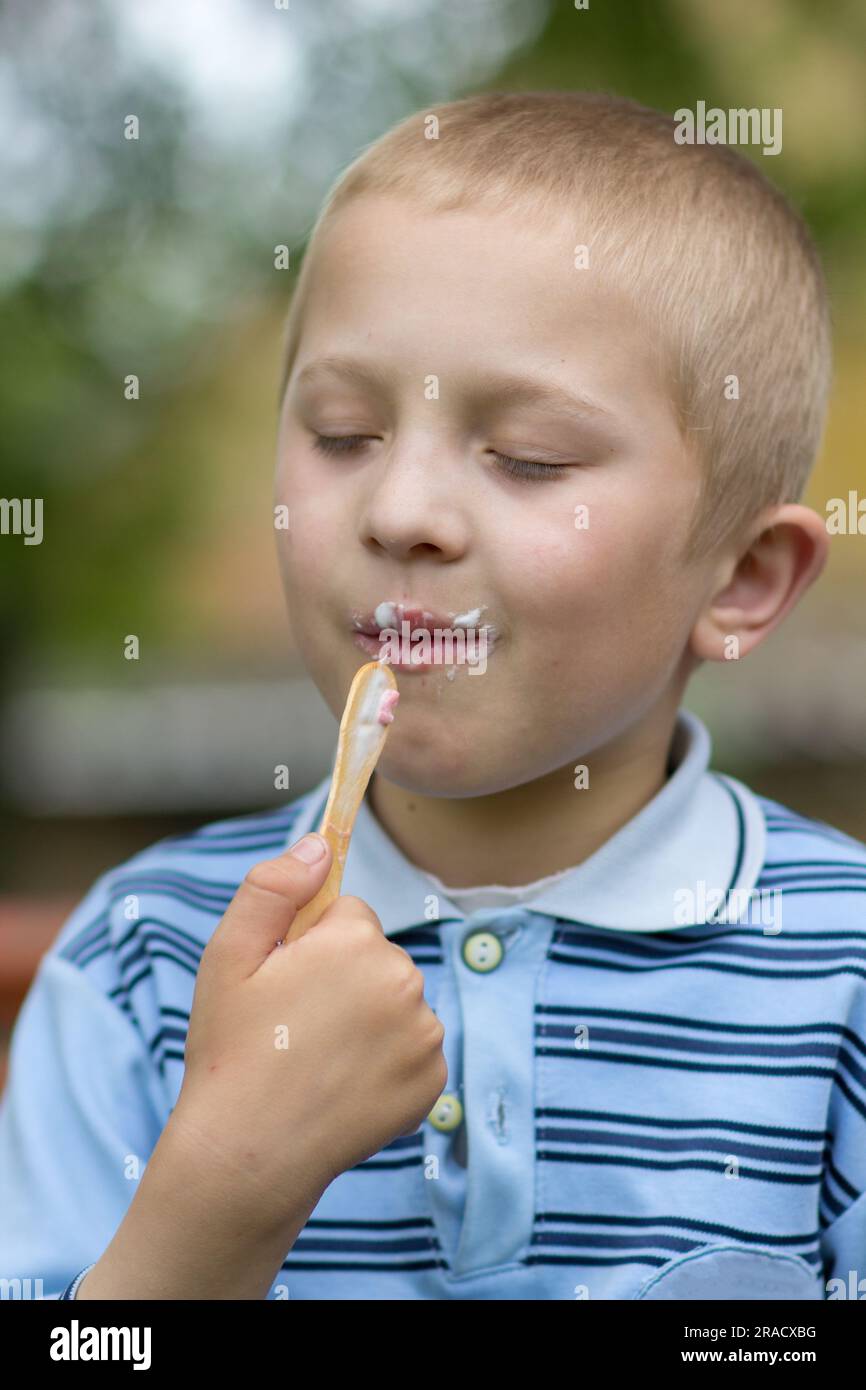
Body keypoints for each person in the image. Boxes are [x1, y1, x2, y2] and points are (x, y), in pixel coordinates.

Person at [2, 90, 864, 1301]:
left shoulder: (841, 974)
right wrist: (218, 1198)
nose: (399, 512)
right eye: (343, 433)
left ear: (740, 577)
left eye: (526, 458)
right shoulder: (135, 965)